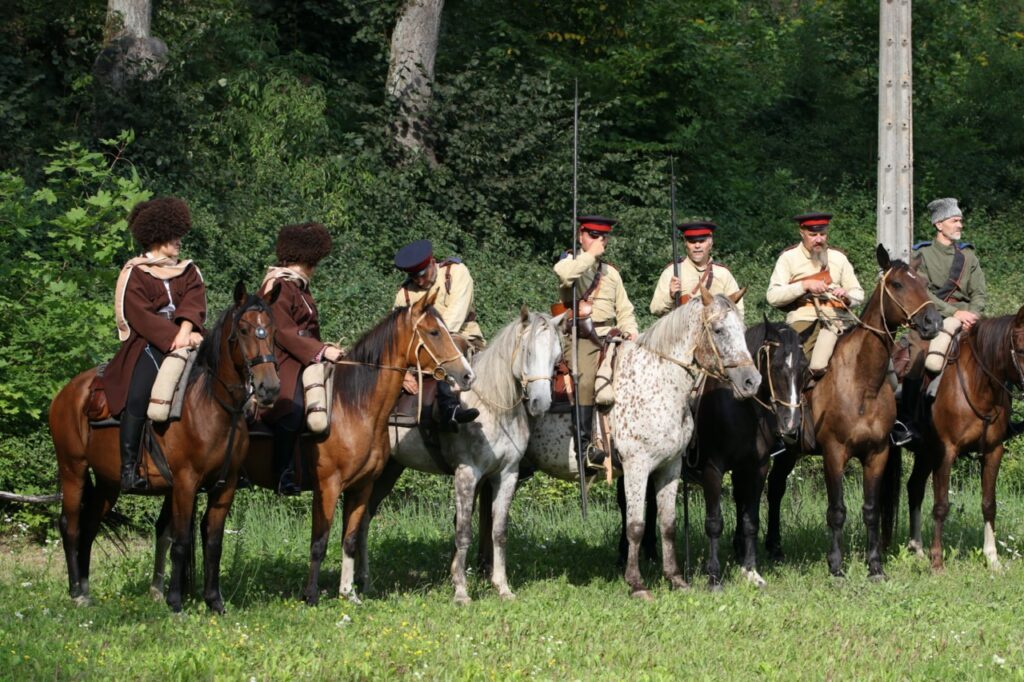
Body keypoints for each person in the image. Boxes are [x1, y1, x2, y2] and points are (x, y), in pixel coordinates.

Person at [105, 197, 207, 491]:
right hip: (149, 344)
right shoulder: (135, 272)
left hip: (189, 337)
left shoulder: (188, 270)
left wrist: (186, 330)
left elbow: (194, 300)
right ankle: (128, 468)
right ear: (158, 234)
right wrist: (171, 337)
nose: (179, 242)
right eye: (174, 236)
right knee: (137, 395)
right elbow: (139, 314)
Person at [261, 222, 344, 495]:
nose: (316, 268)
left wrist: (324, 349)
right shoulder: (279, 285)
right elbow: (283, 331)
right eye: (315, 262)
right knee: (292, 408)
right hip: (282, 359)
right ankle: (283, 474)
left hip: (306, 357)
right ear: (308, 259)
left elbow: (309, 329)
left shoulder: (300, 287)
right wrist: (320, 352)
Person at [898, 197, 988, 444]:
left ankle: (1001, 418)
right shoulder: (922, 254)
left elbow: (979, 292)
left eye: (960, 220)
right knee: (917, 355)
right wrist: (953, 313)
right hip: (932, 318)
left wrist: (973, 314)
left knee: (1000, 349)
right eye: (955, 220)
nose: (960, 225)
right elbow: (921, 293)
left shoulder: (968, 255)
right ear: (939, 224)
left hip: (969, 318)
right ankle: (906, 420)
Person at [554, 215, 639, 469]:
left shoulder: (611, 272)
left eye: (602, 237)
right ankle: (585, 446)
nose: (598, 241)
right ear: (581, 235)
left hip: (612, 335)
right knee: (585, 378)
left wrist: (631, 332)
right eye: (592, 235)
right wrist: (590, 254)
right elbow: (566, 277)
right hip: (582, 336)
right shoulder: (569, 262)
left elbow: (625, 310)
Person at [393, 239, 483, 429]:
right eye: (413, 277)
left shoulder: (456, 273)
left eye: (422, 274)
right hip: (420, 349)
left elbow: (452, 322)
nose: (418, 281)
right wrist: (402, 374)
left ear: (432, 262)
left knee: (453, 344)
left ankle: (449, 408)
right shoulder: (404, 294)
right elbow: (395, 336)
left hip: (461, 337)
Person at [766, 212, 864, 362]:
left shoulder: (839, 257)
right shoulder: (788, 258)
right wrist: (804, 285)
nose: (819, 239)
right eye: (813, 234)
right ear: (802, 233)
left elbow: (858, 293)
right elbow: (773, 296)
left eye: (822, 234)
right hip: (805, 319)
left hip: (842, 319)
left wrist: (846, 296)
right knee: (797, 364)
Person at [649, 220, 744, 318]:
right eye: (692, 241)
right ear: (685, 243)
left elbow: (738, 312)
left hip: (715, 331)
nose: (697, 246)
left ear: (710, 243)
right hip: (681, 331)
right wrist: (670, 295)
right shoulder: (672, 272)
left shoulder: (723, 274)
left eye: (702, 241)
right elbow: (655, 309)